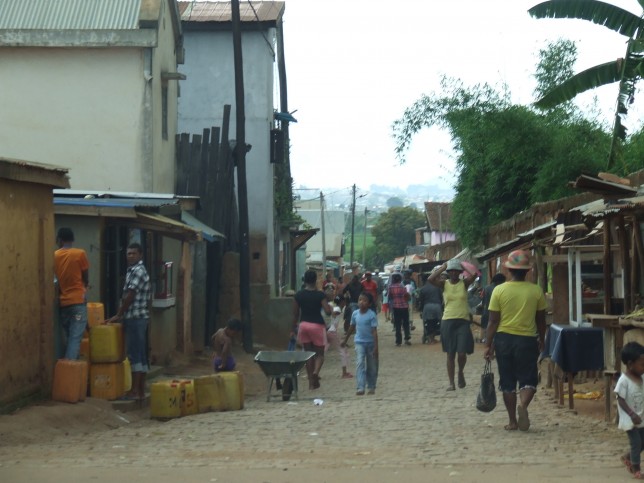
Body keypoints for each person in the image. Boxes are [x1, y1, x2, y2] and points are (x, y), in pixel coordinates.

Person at [483, 250, 547, 431]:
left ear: (509, 270)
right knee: (529, 380)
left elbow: (493, 321)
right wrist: (542, 339)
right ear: (527, 271)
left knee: (507, 382)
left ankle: (512, 421)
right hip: (527, 341)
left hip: (504, 341)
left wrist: (488, 345)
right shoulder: (536, 291)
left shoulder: (499, 290)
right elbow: (541, 320)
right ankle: (523, 405)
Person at [106, 243, 151, 401]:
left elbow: (130, 295)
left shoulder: (138, 271)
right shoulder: (133, 270)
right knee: (141, 354)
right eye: (128, 253)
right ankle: (140, 391)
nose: (130, 256)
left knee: (134, 354)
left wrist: (119, 314)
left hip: (135, 317)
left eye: (133, 253)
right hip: (137, 317)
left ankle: (134, 391)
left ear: (140, 255)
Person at [429, 259, 477, 391]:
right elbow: (430, 279)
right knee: (450, 353)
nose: (454, 273)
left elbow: (475, 274)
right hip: (448, 321)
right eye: (452, 271)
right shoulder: (443, 284)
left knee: (462, 352)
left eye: (457, 271)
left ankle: (460, 372)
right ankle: (451, 383)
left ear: (460, 272)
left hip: (463, 321)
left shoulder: (464, 283)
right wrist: (443, 267)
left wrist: (463, 266)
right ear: (448, 272)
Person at [293, 269, 332, 389]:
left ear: (304, 280)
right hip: (317, 326)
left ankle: (311, 383)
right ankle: (315, 372)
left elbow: (295, 314)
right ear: (315, 280)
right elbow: (327, 311)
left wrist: (293, 329)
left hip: (304, 325)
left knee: (308, 354)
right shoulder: (320, 295)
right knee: (319, 355)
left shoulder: (298, 295)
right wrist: (329, 307)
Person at [54, 227, 90, 360]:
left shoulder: (55, 255)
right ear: (72, 239)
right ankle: (70, 367)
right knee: (75, 338)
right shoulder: (80, 254)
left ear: (59, 240)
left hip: (64, 305)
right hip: (78, 306)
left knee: (70, 337)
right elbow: (85, 275)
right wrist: (85, 285)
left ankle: (73, 366)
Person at [616, 342, 644, 477]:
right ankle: (636, 469)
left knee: (642, 442)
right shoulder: (624, 381)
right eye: (642, 364)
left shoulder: (642, 377)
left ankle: (628, 457)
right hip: (630, 419)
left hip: (641, 417)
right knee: (636, 442)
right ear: (630, 364)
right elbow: (620, 399)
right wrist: (631, 414)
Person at [342, 293, 378, 395]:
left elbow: (374, 331)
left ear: (369, 304)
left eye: (364, 300)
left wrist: (376, 347)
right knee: (360, 363)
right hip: (359, 342)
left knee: (371, 366)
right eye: (360, 300)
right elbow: (352, 327)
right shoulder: (355, 314)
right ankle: (360, 387)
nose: (361, 302)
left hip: (370, 343)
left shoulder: (371, 315)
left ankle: (371, 386)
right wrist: (345, 340)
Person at [326, 306, 353, 379]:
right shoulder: (337, 310)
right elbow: (335, 313)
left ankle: (314, 372)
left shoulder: (332, 312)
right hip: (332, 331)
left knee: (321, 353)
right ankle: (344, 373)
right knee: (343, 350)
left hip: (327, 331)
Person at [479, 273, 506, 343]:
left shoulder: (486, 288)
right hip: (495, 312)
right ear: (499, 281)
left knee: (486, 326)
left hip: (486, 311)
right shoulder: (498, 289)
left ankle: (485, 339)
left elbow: (483, 300)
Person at [418, 272, 443, 344]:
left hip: (427, 306)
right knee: (439, 322)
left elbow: (421, 301)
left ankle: (429, 338)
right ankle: (441, 338)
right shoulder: (438, 287)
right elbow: (441, 298)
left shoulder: (423, 289)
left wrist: (421, 310)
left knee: (428, 322)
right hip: (437, 306)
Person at [388, 272, 411, 346]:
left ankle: (398, 341)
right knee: (406, 323)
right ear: (400, 279)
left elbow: (390, 296)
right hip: (404, 307)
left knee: (397, 324)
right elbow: (407, 296)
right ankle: (407, 339)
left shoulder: (391, 287)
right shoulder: (403, 287)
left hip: (396, 307)